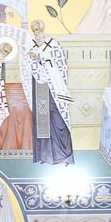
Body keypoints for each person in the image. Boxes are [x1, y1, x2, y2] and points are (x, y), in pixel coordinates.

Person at [24, 19, 75, 166]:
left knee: (59, 120)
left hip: (55, 88)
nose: (37, 33)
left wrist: (39, 58)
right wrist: (32, 60)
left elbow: (59, 64)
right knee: (42, 123)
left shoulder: (53, 44)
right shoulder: (32, 46)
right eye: (34, 31)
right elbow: (29, 67)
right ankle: (45, 156)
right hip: (40, 87)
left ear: (43, 29)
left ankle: (65, 156)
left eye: (38, 30)